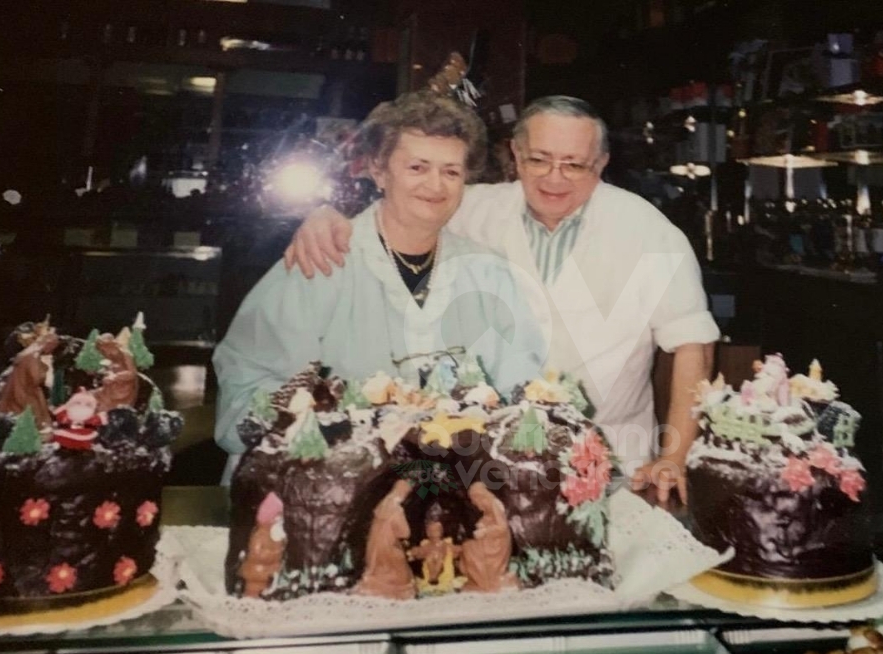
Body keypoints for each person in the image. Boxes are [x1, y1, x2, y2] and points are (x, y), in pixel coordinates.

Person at [283, 96, 719, 505]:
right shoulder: (473, 209)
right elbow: (390, 219)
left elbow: (691, 346)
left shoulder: (651, 232)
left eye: (574, 165)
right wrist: (327, 220)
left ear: (601, 163)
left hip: (613, 457)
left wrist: (673, 458)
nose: (554, 178)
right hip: (479, 459)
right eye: (539, 160)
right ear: (515, 154)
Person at [213, 91, 546, 481]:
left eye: (451, 171)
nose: (435, 185)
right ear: (379, 170)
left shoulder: (488, 273)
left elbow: (522, 392)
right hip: (320, 493)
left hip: (445, 494)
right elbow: (244, 394)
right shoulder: (321, 259)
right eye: (417, 167)